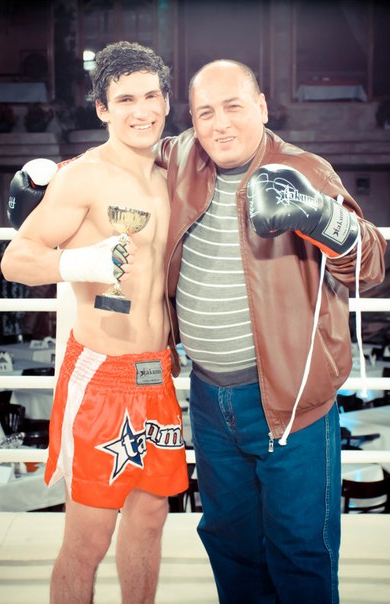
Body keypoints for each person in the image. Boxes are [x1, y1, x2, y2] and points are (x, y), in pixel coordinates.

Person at [158, 60, 387, 603]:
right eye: (205, 112)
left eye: (233, 106)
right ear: (192, 121)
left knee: (300, 552)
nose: (220, 124)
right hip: (209, 397)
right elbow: (127, 151)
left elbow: (372, 264)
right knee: (230, 545)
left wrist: (322, 217)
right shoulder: (184, 156)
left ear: (261, 108)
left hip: (290, 399)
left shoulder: (304, 169)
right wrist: (58, 176)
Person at [1, 41, 188, 604]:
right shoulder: (82, 177)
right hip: (101, 377)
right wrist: (78, 262)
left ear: (166, 100)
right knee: (88, 539)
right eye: (125, 99)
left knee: (151, 519)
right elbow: (16, 258)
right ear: (102, 109)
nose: (142, 110)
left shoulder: (172, 176)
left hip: (155, 374)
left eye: (151, 96)